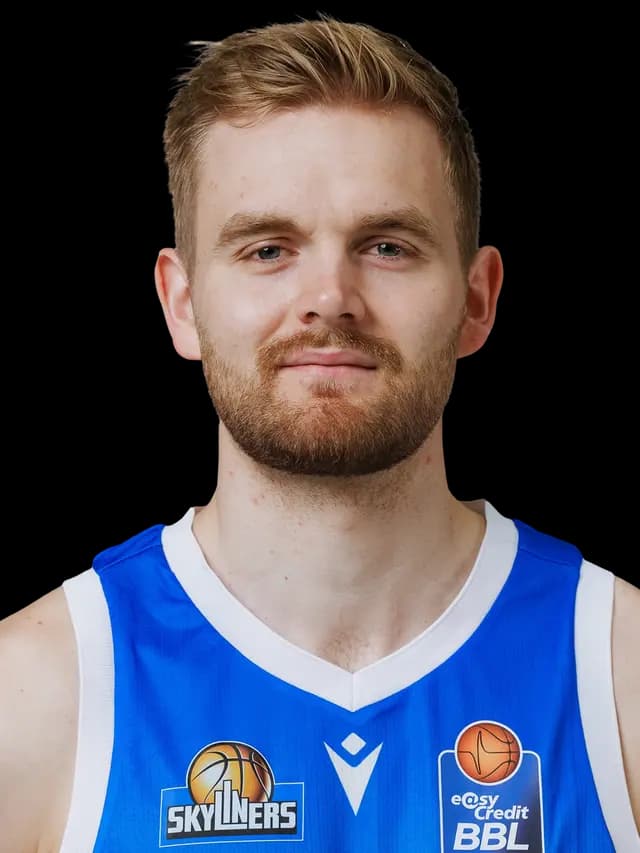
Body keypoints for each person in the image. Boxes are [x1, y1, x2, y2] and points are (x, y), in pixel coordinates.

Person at [1, 14, 638, 852]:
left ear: (477, 299)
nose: (330, 298)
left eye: (387, 246)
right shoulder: (37, 691)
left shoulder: (619, 668)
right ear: (182, 303)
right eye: (268, 249)